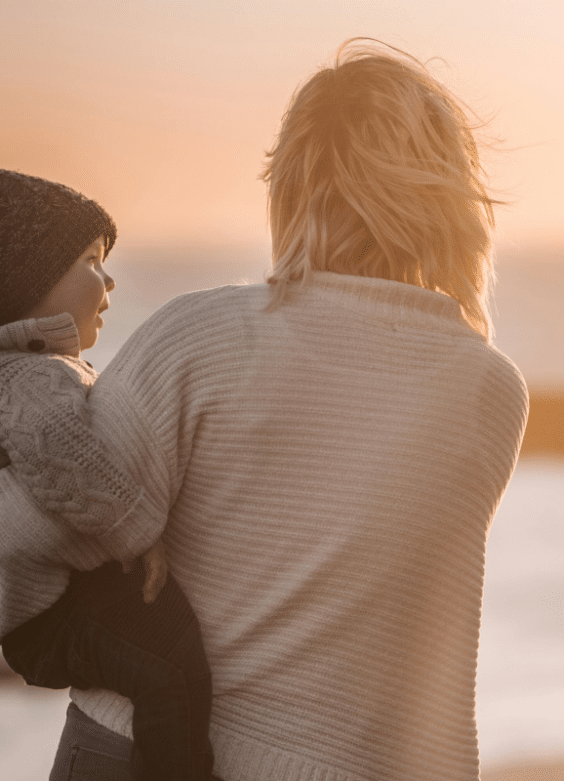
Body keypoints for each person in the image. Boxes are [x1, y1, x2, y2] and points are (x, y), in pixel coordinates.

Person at [47, 39, 529, 780]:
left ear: (293, 184)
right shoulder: (489, 390)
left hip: (131, 747)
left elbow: (56, 530)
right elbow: (431, 666)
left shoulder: (197, 333)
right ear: (447, 197)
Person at [0, 155, 214, 781]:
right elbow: (75, 469)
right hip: (51, 619)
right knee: (168, 661)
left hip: (45, 609)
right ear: (23, 282)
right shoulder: (30, 382)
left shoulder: (0, 375)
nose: (109, 281)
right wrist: (142, 538)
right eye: (89, 261)